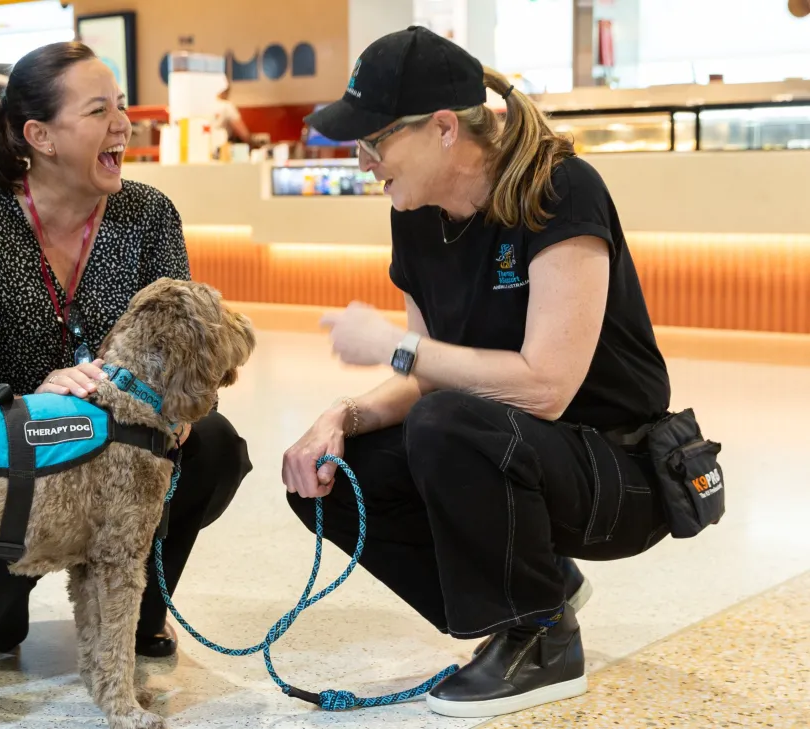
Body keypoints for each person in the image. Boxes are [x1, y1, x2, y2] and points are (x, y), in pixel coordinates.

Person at [283, 27, 676, 718]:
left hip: (621, 470)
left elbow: (545, 387)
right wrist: (342, 416)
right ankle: (532, 592)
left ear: (441, 129)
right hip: (519, 455)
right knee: (331, 479)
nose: (363, 160)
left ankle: (544, 640)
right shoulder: (415, 213)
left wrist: (392, 346)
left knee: (448, 421)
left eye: (373, 142)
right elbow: (427, 373)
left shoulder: (560, 190)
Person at [0, 41, 252, 658]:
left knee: (215, 446)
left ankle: (142, 606)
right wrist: (27, 395)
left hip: (119, 444)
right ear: (40, 136)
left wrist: (174, 412)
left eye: (121, 107)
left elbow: (184, 346)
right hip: (19, 449)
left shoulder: (149, 214)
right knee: (1, 630)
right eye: (100, 110)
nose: (123, 125)